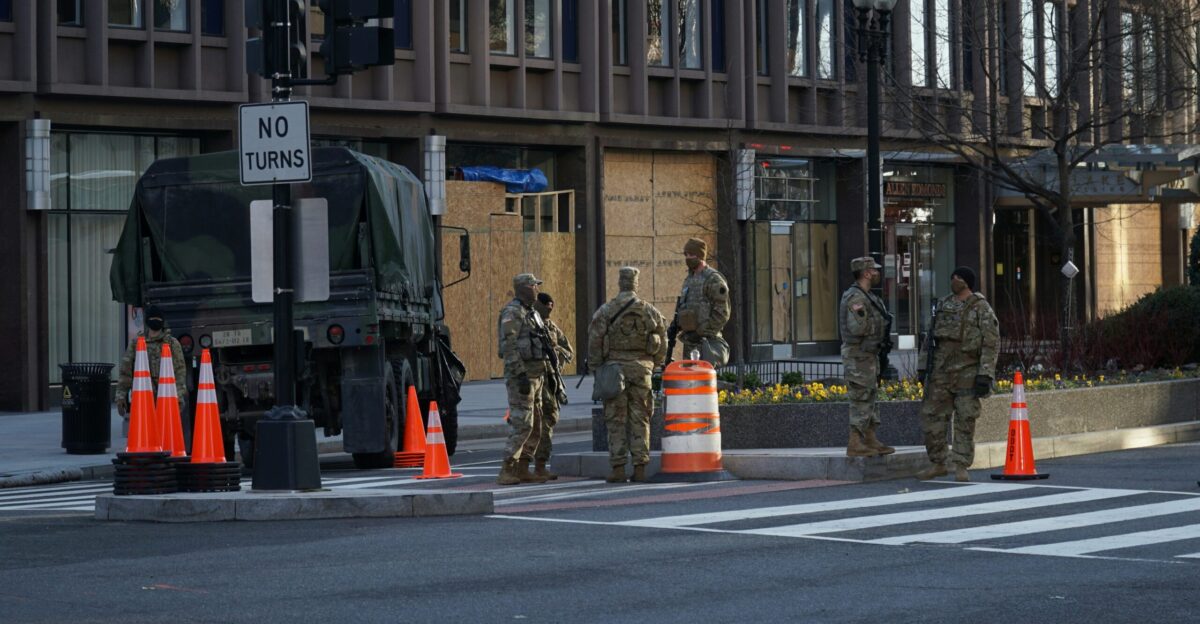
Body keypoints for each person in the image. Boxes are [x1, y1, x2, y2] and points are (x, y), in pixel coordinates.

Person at [916, 266, 1000, 482]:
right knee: (932, 417)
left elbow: (991, 343)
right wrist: (923, 366)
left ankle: (961, 465)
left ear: (967, 282)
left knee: (965, 420)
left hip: (967, 372)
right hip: (941, 372)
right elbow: (930, 337)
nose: (954, 280)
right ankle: (938, 463)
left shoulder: (981, 307)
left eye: (959, 277)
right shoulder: (943, 305)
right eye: (953, 276)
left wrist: (985, 374)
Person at [588, 267, 668, 483]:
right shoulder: (649, 311)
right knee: (641, 417)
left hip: (615, 370)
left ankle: (618, 468)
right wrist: (655, 363)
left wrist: (596, 368)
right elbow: (663, 337)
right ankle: (640, 467)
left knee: (616, 419)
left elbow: (595, 340)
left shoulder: (606, 310)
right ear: (636, 283)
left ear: (620, 283)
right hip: (642, 370)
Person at [496, 273, 552, 485]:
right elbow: (509, 347)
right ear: (524, 288)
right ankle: (507, 468)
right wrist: (520, 375)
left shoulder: (532, 312)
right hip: (523, 376)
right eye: (533, 286)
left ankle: (522, 468)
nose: (537, 289)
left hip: (536, 374)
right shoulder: (513, 312)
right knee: (522, 424)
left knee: (536, 423)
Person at [838, 256, 895, 458]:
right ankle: (855, 443)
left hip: (869, 356)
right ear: (867, 273)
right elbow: (857, 328)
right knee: (861, 398)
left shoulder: (870, 296)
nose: (879, 273)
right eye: (875, 270)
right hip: (858, 357)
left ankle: (870, 439)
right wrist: (874, 327)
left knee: (871, 397)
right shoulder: (856, 298)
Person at [521, 292, 574, 481]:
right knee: (532, 422)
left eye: (552, 305)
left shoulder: (550, 327)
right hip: (534, 377)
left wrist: (556, 355)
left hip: (550, 379)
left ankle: (540, 464)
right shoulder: (528, 323)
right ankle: (523, 465)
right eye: (547, 305)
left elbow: (568, 350)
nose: (550, 309)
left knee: (549, 418)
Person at [115, 307, 189, 433]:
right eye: (153, 318)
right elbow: (126, 372)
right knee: (145, 433)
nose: (155, 321)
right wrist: (121, 396)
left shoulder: (171, 343)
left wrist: (178, 397)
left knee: (165, 433)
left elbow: (180, 372)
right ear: (147, 321)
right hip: (143, 399)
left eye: (158, 318)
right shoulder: (137, 343)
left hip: (166, 397)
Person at [676, 238, 731, 366]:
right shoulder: (689, 279)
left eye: (691, 254)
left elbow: (722, 313)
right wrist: (678, 324)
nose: (688, 258)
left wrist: (702, 331)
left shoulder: (713, 279)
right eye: (686, 255)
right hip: (690, 344)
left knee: (703, 382)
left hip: (707, 344)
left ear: (701, 256)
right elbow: (684, 307)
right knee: (689, 382)